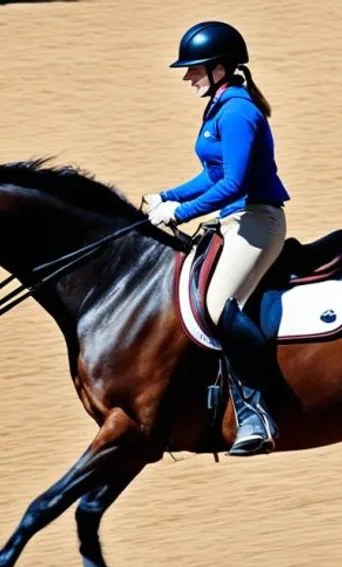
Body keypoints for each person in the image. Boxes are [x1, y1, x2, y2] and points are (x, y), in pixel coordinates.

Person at [144, 20, 290, 457]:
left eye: (194, 69)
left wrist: (180, 213)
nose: (188, 77)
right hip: (233, 222)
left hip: (256, 222)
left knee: (218, 305)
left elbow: (234, 183)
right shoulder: (219, 107)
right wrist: (166, 196)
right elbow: (211, 174)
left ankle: (255, 414)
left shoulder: (238, 111)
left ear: (220, 68)